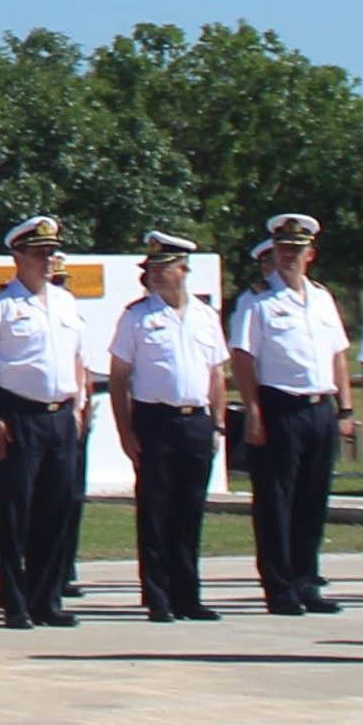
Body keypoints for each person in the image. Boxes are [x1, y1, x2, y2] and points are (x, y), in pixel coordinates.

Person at [0, 215, 90, 630]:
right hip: (17, 414)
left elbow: (77, 355)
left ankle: (46, 597)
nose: (48, 260)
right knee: (16, 510)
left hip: (60, 416)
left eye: (52, 252)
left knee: (57, 509)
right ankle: (14, 600)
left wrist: (79, 402)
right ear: (18, 256)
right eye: (39, 253)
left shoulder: (66, 301)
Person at [225, 213, 351, 618]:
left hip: (320, 407)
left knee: (313, 499)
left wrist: (345, 409)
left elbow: (338, 356)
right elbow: (243, 357)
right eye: (283, 250)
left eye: (297, 251)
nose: (289, 257)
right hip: (279, 406)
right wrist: (254, 410)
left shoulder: (322, 298)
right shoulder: (257, 299)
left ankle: (306, 580)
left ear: (310, 254)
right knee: (276, 501)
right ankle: (279, 587)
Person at [105, 233, 227, 623]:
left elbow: (217, 374)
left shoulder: (206, 317)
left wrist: (218, 425)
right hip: (155, 421)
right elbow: (120, 376)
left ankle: (188, 595)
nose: (155, 276)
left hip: (196, 421)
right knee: (156, 510)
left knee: (190, 511)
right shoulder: (137, 317)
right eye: (151, 270)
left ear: (183, 271)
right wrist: (126, 431)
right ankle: (157, 596)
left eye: (163, 268)